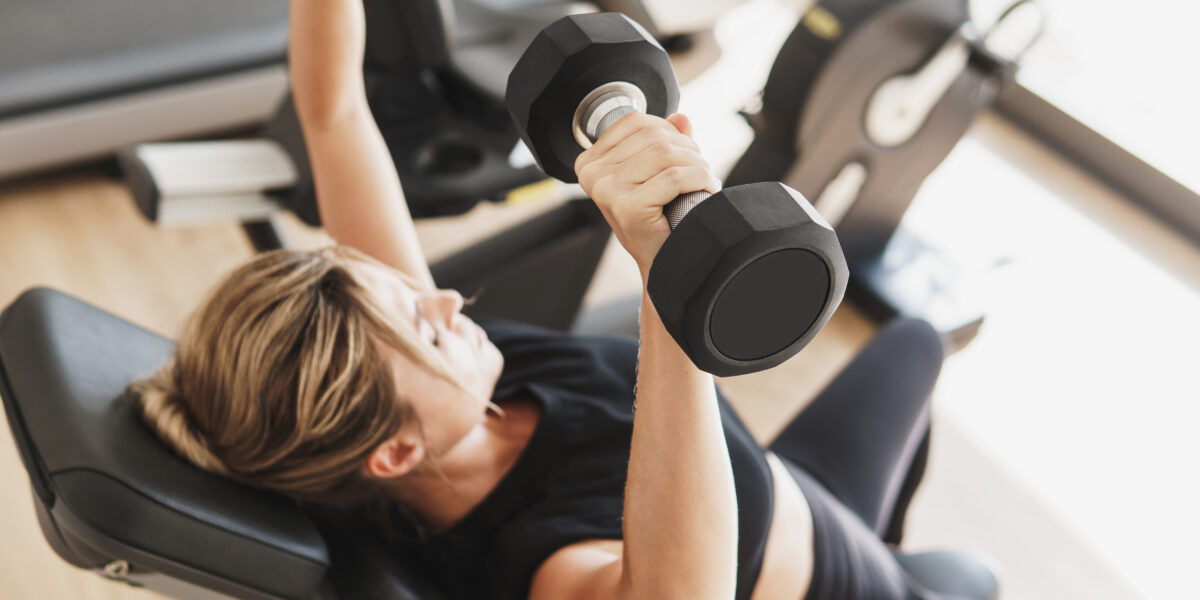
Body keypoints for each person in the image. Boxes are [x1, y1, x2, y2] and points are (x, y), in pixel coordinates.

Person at [130, 1, 980, 599]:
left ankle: (892, 534)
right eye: (424, 330)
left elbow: (333, 111)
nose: (446, 300)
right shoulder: (538, 560)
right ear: (392, 455)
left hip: (801, 486)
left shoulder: (435, 396)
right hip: (845, 585)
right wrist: (664, 280)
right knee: (969, 573)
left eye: (406, 292)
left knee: (913, 338)